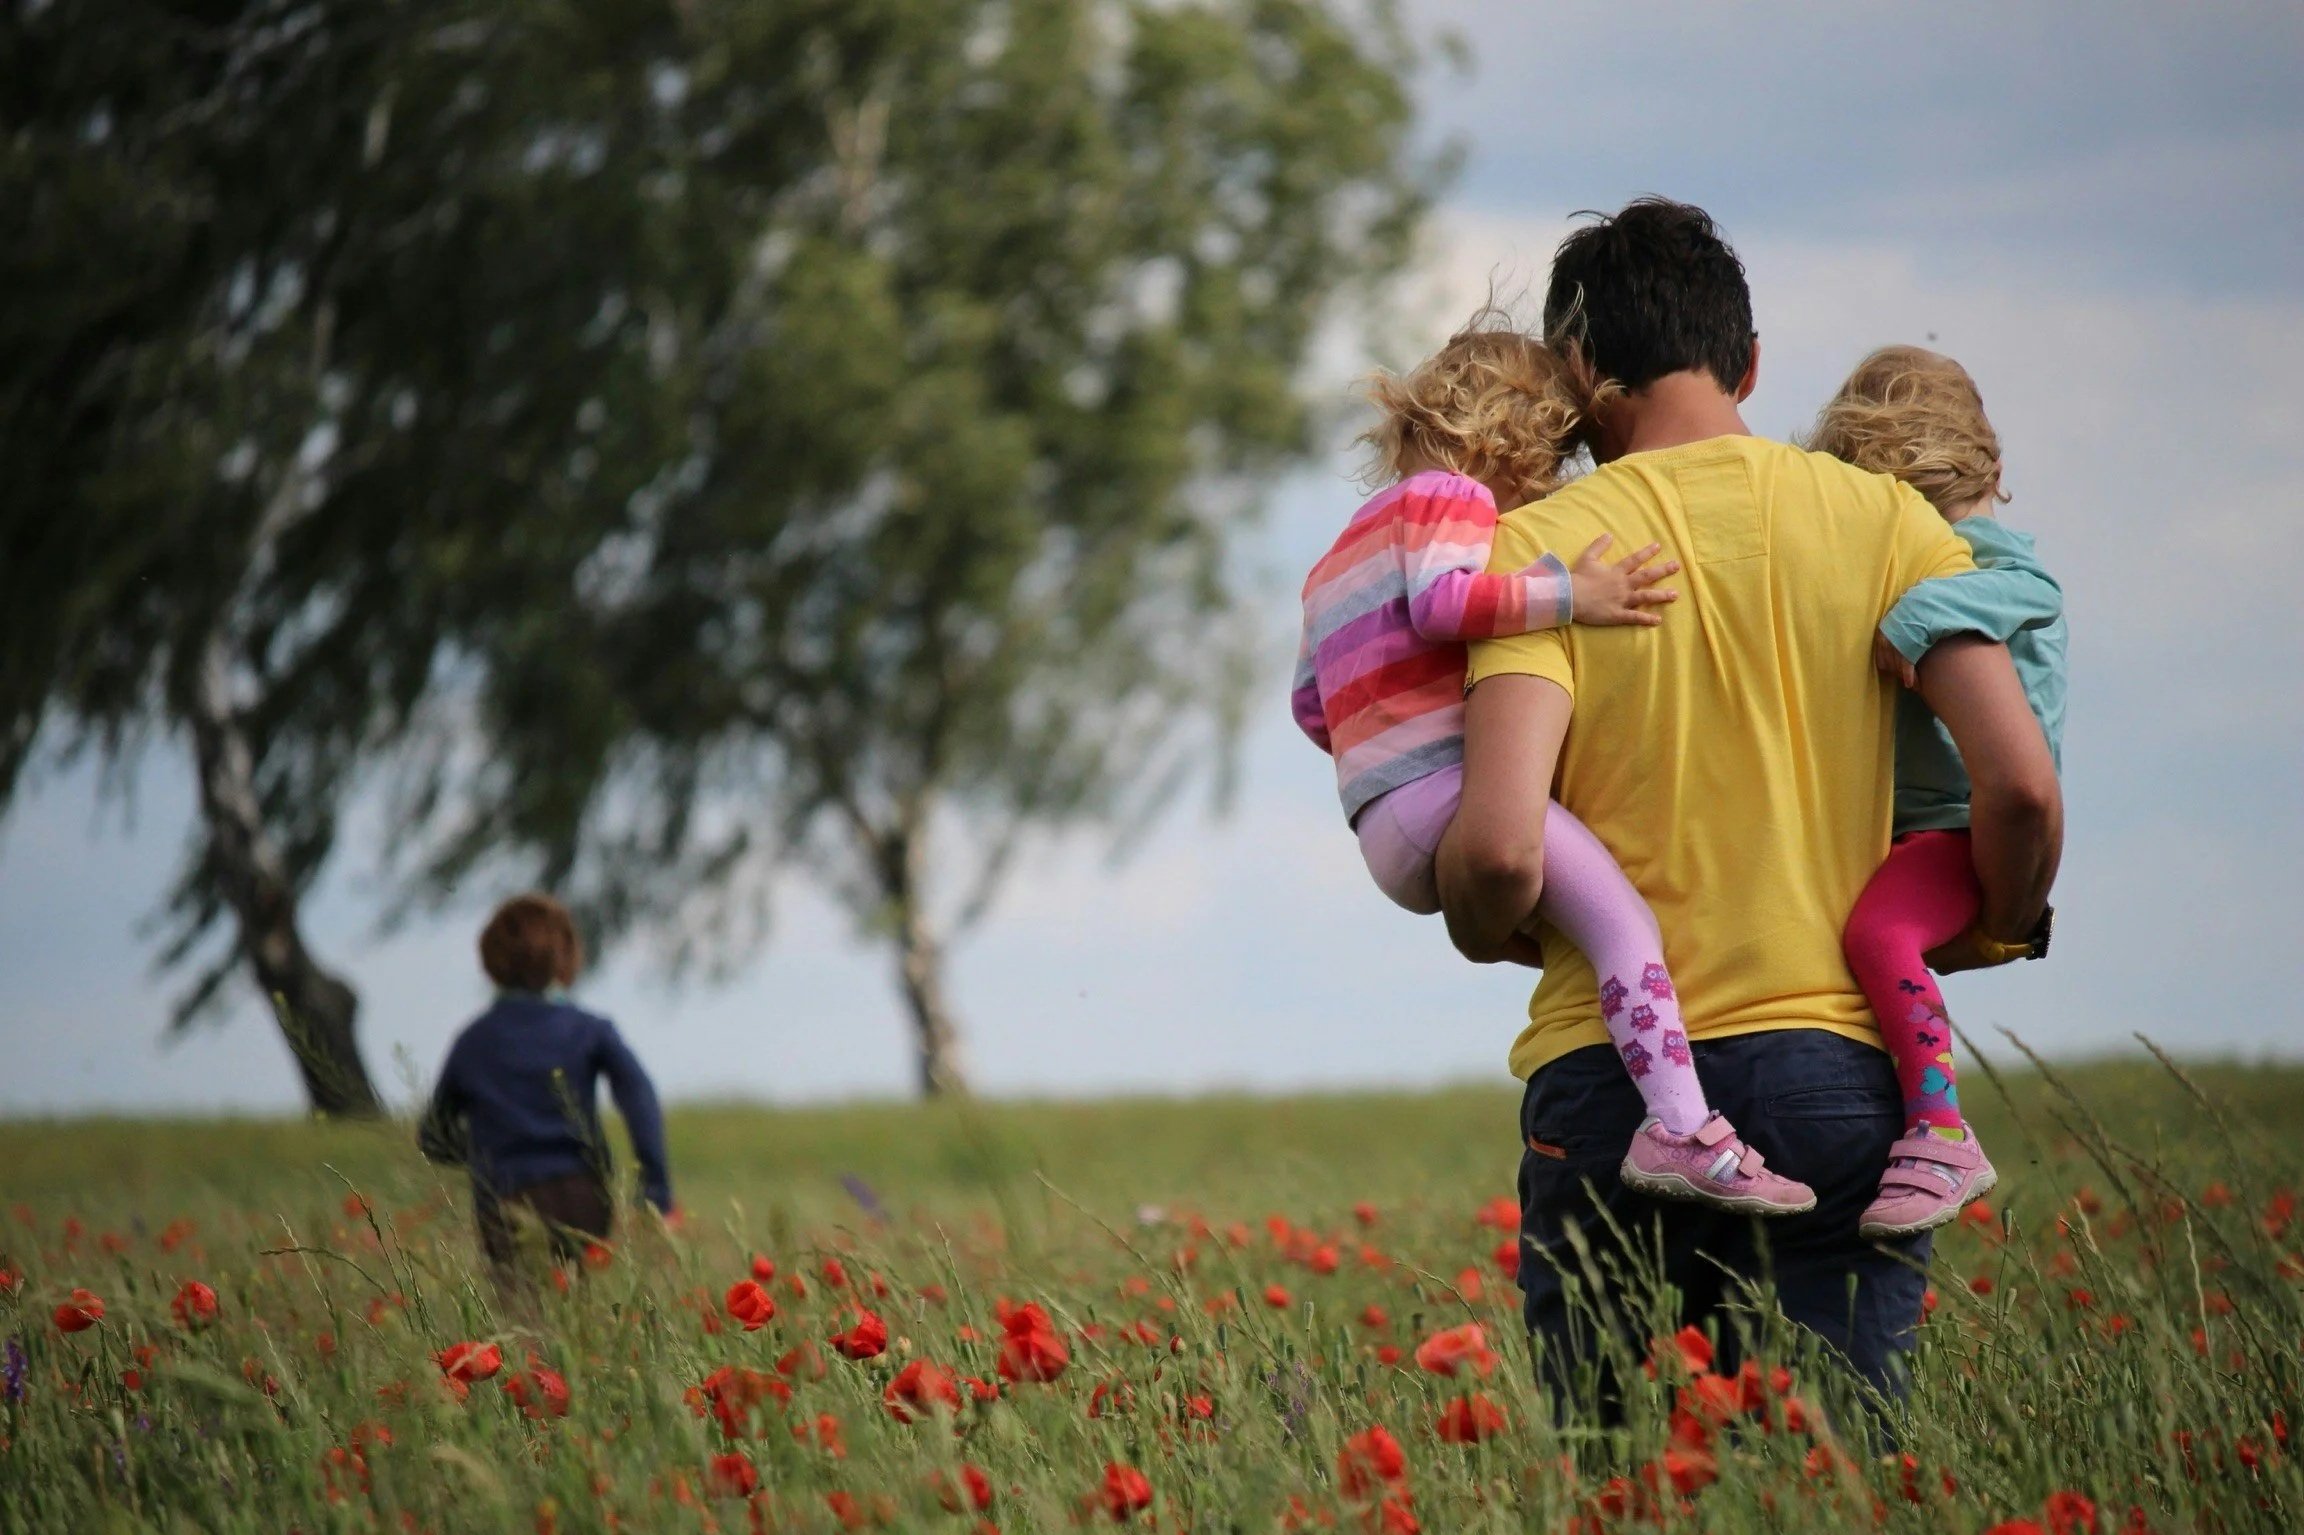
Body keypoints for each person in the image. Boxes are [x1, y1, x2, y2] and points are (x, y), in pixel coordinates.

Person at [1435, 199, 2062, 1405]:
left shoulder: (1538, 553)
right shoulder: (1892, 524)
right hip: (1840, 1073)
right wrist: (1993, 918)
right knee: (1830, 1481)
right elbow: (2022, 783)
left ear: (1578, 372)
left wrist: (1478, 919)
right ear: (1751, 361)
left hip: (1612, 1086)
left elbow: (1505, 849)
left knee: (1622, 1483)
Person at [1293, 310, 1814, 1216]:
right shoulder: (1448, 500)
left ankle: (1654, 1079)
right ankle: (1684, 1129)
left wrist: (1383, 744)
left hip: (1380, 821)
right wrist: (1576, 593)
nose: (1552, 481)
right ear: (1510, 436)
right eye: (1552, 455)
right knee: (1626, 929)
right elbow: (1447, 604)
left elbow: (1311, 705)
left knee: (1581, 933)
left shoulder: (1335, 555)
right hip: (1445, 796)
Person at [1809, 346, 2067, 1237]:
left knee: (1878, 933)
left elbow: (2030, 589)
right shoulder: (1944, 547)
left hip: (1960, 827)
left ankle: (1940, 1129)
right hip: (1918, 829)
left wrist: (1915, 615)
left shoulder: (1984, 558)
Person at [419, 893, 675, 1279]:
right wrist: (654, 1190)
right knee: (576, 1309)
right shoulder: (589, 1030)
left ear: (492, 961)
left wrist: (486, 1155)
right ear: (565, 956)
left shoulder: (473, 1041)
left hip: (503, 1199)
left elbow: (433, 1137)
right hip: (582, 1195)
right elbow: (640, 1099)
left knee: (521, 1318)